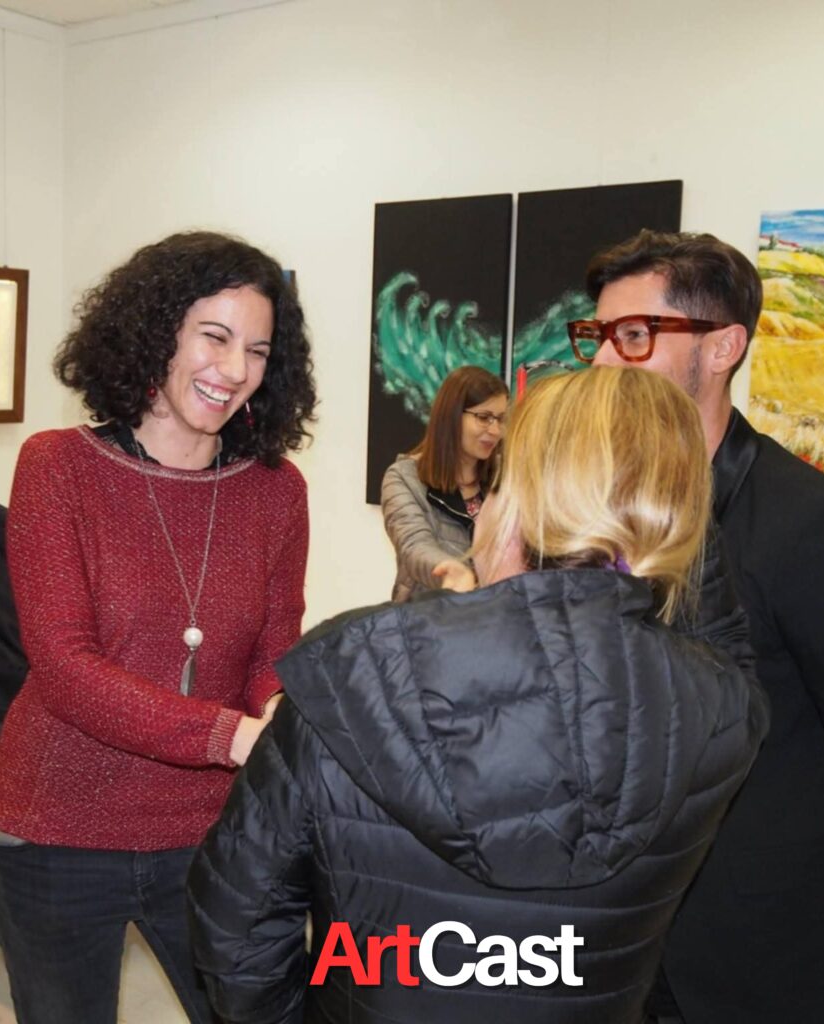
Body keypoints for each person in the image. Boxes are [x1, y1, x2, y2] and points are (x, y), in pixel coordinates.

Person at [187, 366, 769, 1024]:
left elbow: (236, 931)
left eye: (495, 487)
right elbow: (727, 648)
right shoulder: (721, 710)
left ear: (514, 507)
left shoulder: (350, 676)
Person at [575, 229, 824, 1024]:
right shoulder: (583, 507)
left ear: (722, 348)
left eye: (635, 335)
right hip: (603, 946)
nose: (606, 360)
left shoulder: (815, 525)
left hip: (755, 959)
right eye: (599, 336)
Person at [0, 231, 317, 1024]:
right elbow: (64, 665)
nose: (234, 369)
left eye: (258, 350)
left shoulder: (277, 491)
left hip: (212, 836)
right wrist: (231, 735)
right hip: (54, 834)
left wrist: (276, 709)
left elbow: (275, 648)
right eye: (214, 336)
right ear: (155, 330)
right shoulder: (58, 467)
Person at [381, 364, 507, 600]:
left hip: (492, 615)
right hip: (426, 615)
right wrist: (451, 571)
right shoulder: (403, 477)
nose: (495, 430)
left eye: (500, 419)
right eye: (484, 418)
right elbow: (414, 545)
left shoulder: (507, 477)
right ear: (451, 417)